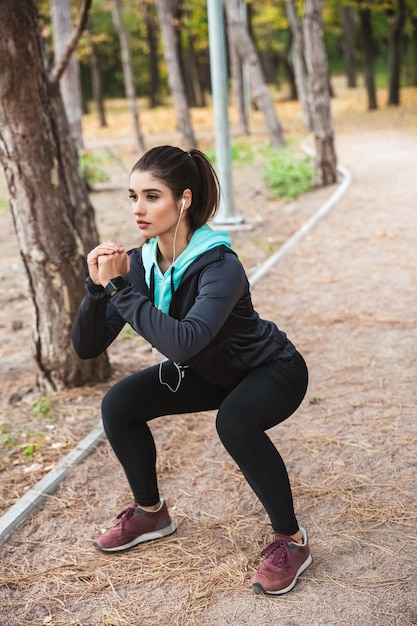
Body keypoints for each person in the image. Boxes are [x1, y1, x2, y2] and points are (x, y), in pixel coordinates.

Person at [72, 145, 312, 595]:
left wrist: (120, 287)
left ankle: (292, 542)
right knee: (119, 403)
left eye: (151, 196)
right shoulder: (142, 263)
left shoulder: (220, 265)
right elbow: (88, 348)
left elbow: (183, 341)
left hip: (271, 370)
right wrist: (95, 288)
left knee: (236, 421)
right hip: (210, 373)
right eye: (132, 197)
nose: (138, 209)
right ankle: (150, 513)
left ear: (183, 200)